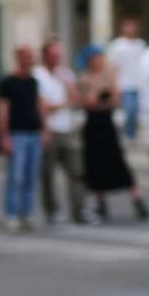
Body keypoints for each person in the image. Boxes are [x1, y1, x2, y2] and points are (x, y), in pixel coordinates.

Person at [77, 46, 149, 221]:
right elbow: (89, 102)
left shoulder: (107, 75)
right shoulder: (85, 77)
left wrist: (104, 97)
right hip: (93, 126)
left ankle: (137, 201)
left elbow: (116, 98)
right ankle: (101, 202)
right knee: (96, 166)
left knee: (119, 163)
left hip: (107, 125)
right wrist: (103, 96)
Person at [36, 39, 87, 225]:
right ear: (46, 56)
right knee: (47, 174)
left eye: (59, 55)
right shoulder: (39, 76)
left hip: (68, 128)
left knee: (77, 171)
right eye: (54, 55)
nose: (58, 58)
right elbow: (43, 106)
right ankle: (52, 210)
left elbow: (76, 98)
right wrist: (62, 104)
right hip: (49, 129)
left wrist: (66, 80)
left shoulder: (65, 74)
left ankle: (79, 209)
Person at [0, 45, 44, 232]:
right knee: (15, 176)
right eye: (28, 56)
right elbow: (3, 110)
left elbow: (38, 105)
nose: (31, 60)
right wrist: (4, 136)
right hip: (16, 134)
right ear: (19, 58)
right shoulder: (8, 82)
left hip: (33, 132)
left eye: (32, 57)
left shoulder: (33, 82)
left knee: (30, 176)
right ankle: (12, 214)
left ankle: (26, 213)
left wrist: (44, 127)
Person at [105, 17, 147, 143]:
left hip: (139, 85)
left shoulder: (141, 45)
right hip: (125, 85)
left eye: (133, 26)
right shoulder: (117, 45)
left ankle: (132, 135)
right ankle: (128, 136)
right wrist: (114, 86)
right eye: (128, 26)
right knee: (129, 111)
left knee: (136, 113)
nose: (131, 29)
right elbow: (112, 68)